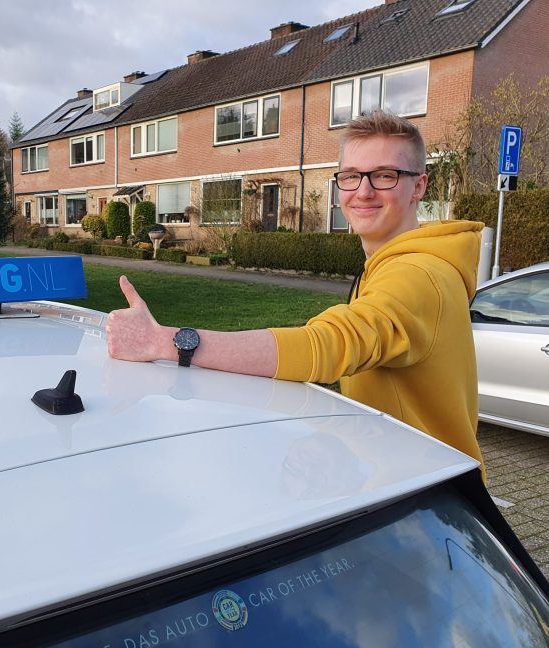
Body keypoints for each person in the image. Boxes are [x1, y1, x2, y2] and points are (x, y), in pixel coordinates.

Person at [107, 110, 485, 472]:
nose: (364, 191)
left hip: (429, 497)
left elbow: (331, 345)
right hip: (408, 473)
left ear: (419, 186)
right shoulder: (395, 264)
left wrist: (166, 342)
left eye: (385, 175)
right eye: (351, 176)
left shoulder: (419, 274)